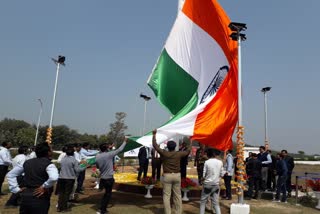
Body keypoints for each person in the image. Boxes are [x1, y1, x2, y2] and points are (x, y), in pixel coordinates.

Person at [7, 142, 59, 214]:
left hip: (25, 195)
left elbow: (11, 174)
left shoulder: (27, 162)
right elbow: (54, 177)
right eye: (51, 149)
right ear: (48, 152)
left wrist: (15, 188)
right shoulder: (49, 164)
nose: (52, 151)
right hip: (40, 196)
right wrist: (44, 186)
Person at [152, 129, 190, 214]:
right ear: (175, 146)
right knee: (178, 195)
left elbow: (155, 146)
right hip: (177, 176)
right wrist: (190, 141)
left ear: (168, 147)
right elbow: (188, 151)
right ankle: (178, 212)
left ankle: (168, 212)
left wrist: (154, 135)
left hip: (167, 176)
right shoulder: (179, 153)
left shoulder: (164, 153)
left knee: (166, 196)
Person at [95, 138, 128, 214]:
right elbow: (120, 149)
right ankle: (102, 210)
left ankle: (102, 208)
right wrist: (125, 141)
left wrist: (108, 148)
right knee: (107, 194)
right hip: (109, 178)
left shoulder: (97, 156)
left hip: (102, 178)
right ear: (107, 149)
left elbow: (97, 166)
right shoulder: (109, 154)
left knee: (106, 194)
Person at [57, 144, 86, 212]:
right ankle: (64, 208)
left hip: (61, 178)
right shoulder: (74, 160)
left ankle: (59, 207)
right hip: (69, 178)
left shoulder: (63, 159)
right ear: (73, 153)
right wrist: (85, 166)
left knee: (61, 193)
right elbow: (77, 170)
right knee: (67, 193)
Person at [199, 148, 224, 214]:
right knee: (215, 203)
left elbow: (204, 174)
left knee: (203, 202)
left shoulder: (207, 162)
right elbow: (222, 174)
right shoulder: (220, 162)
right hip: (216, 184)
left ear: (208, 154)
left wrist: (202, 179)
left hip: (207, 184)